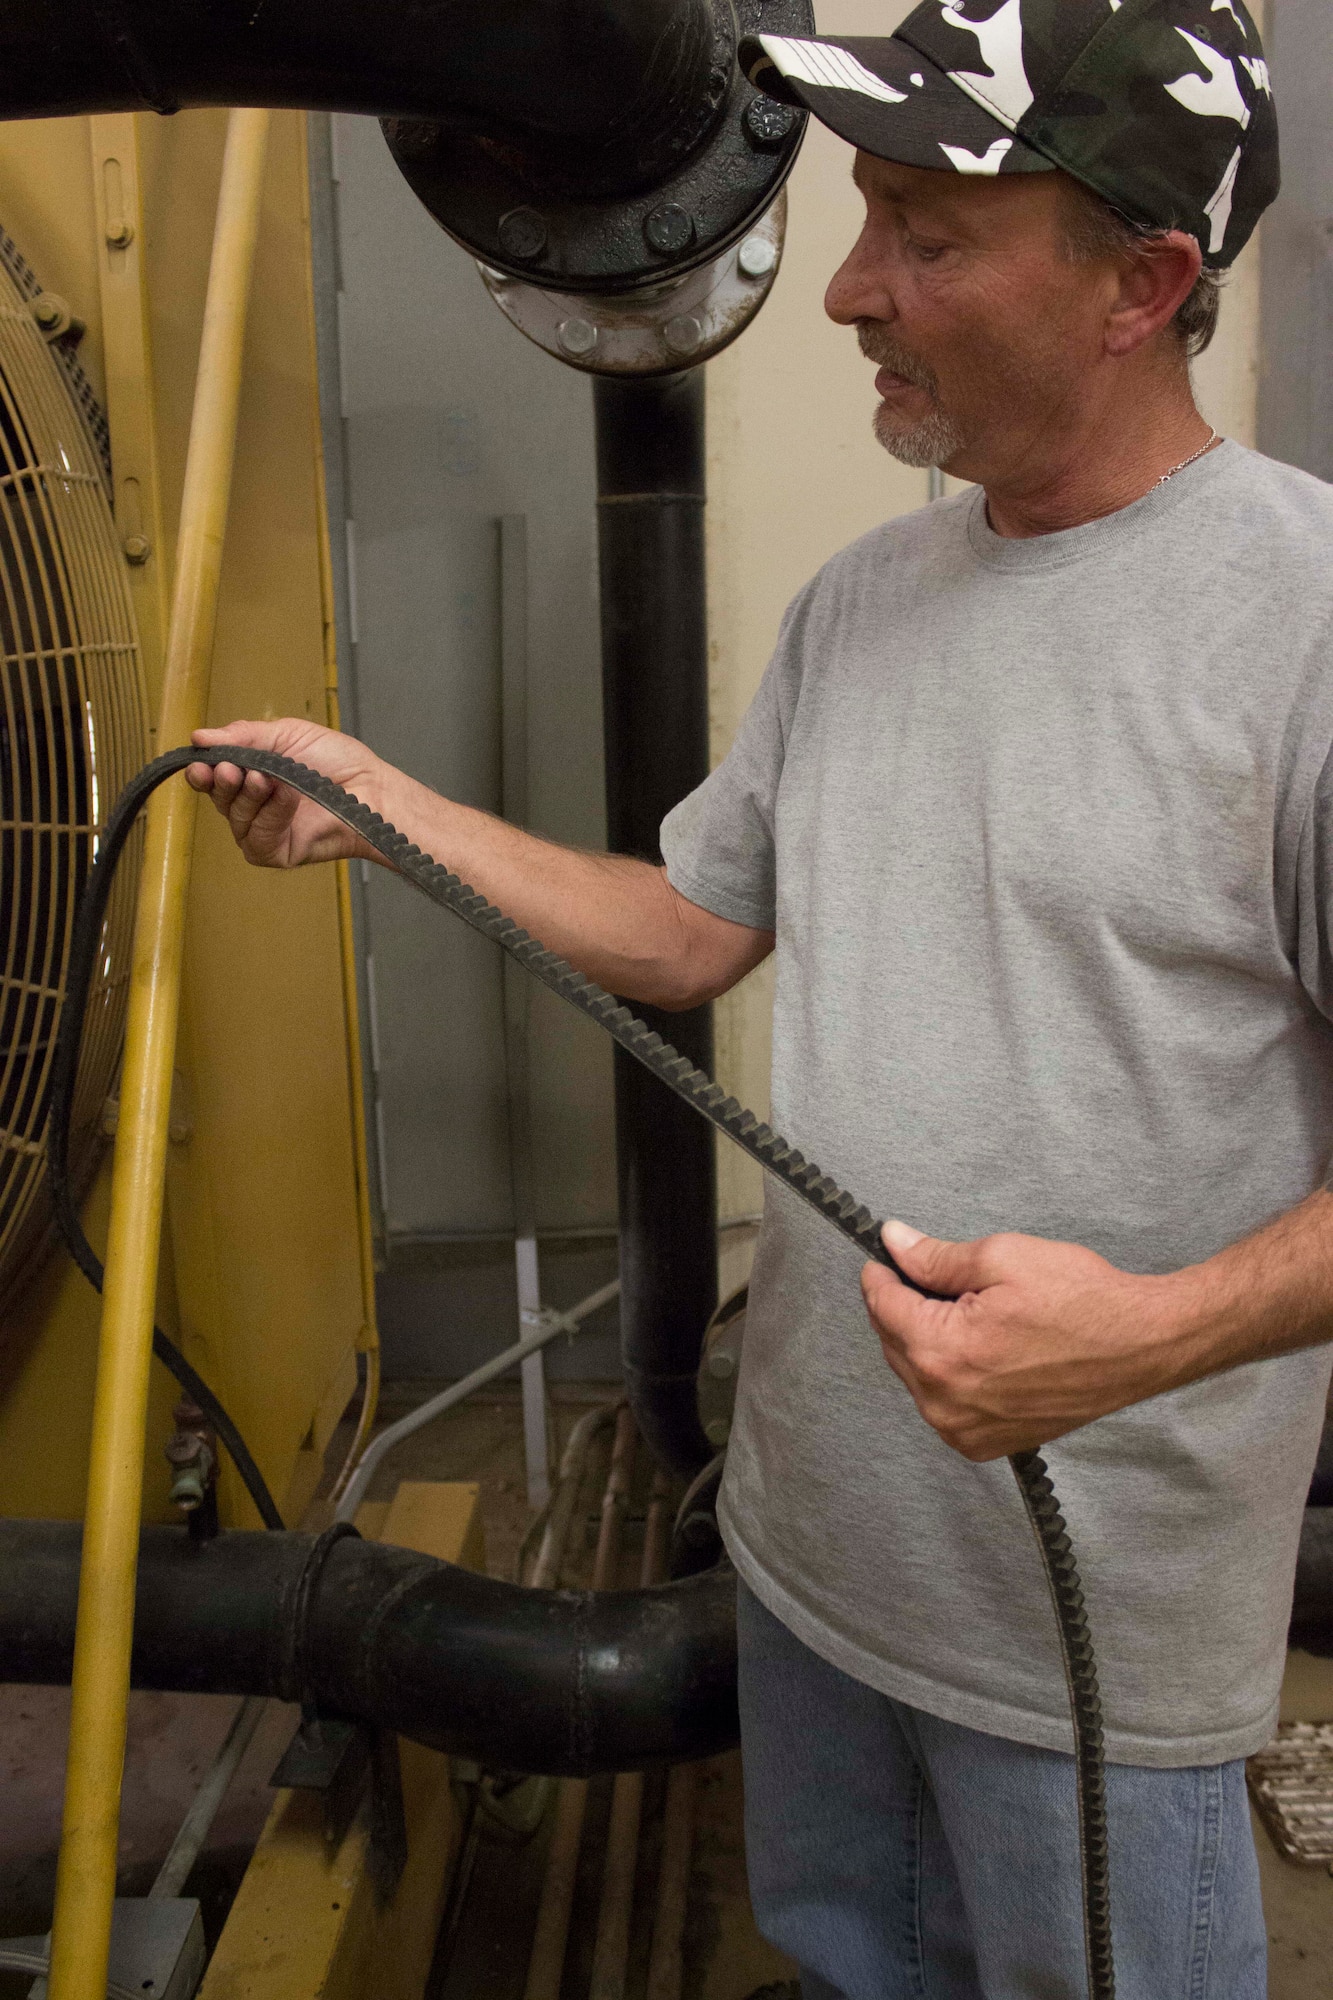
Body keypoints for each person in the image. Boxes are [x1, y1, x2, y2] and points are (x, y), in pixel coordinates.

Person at [188, 0, 1328, 1991]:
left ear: (1140, 284)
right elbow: (689, 930)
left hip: (1084, 1642)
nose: (850, 290)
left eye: (924, 229)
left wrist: (1145, 1336)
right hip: (811, 1567)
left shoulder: (1303, 633)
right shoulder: (867, 604)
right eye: (864, 214)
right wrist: (389, 812)